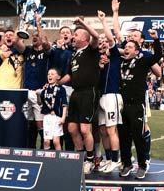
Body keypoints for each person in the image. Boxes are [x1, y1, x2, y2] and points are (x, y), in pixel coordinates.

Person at [119, 29, 162, 179]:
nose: (126, 48)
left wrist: (156, 39)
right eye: (126, 47)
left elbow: (157, 56)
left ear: (137, 51)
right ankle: (126, 164)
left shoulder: (143, 61)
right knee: (124, 136)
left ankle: (142, 165)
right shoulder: (121, 62)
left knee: (138, 136)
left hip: (137, 105)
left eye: (130, 47)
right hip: (123, 105)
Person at [62, 17, 100, 174]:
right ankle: (80, 158)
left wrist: (82, 24)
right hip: (76, 93)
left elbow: (96, 37)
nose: (73, 37)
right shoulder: (73, 55)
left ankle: (90, 160)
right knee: (71, 128)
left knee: (85, 129)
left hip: (88, 92)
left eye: (76, 35)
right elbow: (69, 76)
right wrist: (55, 82)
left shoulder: (91, 50)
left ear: (84, 38)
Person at [95, 10, 123, 173]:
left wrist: (103, 22)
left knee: (111, 129)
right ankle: (109, 159)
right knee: (103, 130)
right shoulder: (98, 60)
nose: (104, 43)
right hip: (101, 96)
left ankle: (116, 159)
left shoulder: (114, 55)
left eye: (105, 40)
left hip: (112, 95)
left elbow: (112, 39)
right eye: (101, 41)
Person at [24, 14, 50, 148]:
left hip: (40, 92)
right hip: (26, 91)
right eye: (32, 35)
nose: (34, 37)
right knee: (28, 124)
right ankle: (30, 150)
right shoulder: (27, 50)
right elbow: (17, 43)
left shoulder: (46, 52)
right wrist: (24, 24)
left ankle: (44, 150)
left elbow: (45, 42)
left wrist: (38, 23)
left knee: (41, 124)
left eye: (37, 35)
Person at [38, 67, 68, 150]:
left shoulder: (61, 89)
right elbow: (40, 103)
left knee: (56, 141)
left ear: (58, 77)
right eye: (48, 74)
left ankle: (59, 160)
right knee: (46, 141)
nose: (49, 76)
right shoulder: (44, 90)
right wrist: (38, 94)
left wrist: (63, 117)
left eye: (52, 74)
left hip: (57, 117)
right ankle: (46, 160)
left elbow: (64, 104)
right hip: (47, 117)